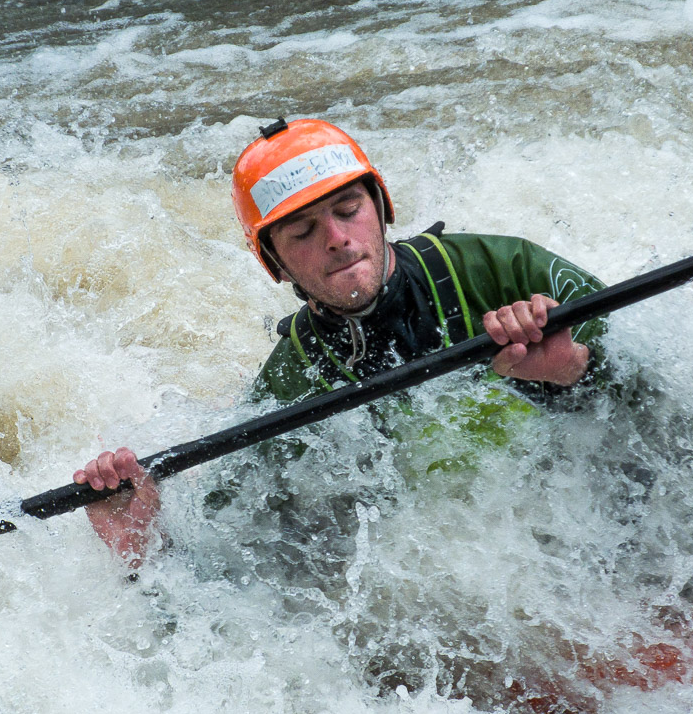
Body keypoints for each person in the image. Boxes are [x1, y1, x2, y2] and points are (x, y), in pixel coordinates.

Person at [74, 117, 608, 567]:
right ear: (275, 264)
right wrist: (146, 547)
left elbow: (671, 389)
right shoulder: (291, 383)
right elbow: (237, 566)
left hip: (596, 524)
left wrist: (577, 372)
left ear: (381, 205)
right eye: (302, 233)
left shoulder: (503, 269)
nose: (336, 238)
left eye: (348, 209)